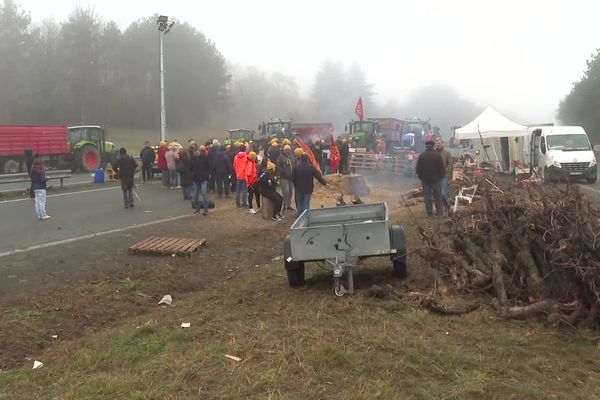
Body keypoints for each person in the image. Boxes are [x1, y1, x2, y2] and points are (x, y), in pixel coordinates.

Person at [416, 140, 445, 217]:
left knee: (427, 197)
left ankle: (430, 213)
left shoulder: (422, 155)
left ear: (426, 146)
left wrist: (420, 176)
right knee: (437, 196)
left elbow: (418, 168)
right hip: (436, 179)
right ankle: (439, 212)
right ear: (433, 146)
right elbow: (442, 168)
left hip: (425, 179)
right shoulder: (437, 155)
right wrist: (440, 177)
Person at [191, 146, 211, 215]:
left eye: (197, 153)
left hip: (203, 179)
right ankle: (197, 208)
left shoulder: (204, 157)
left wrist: (206, 175)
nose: (196, 154)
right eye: (195, 153)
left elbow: (208, 166)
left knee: (204, 194)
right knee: (195, 195)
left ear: (199, 151)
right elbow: (190, 167)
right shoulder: (192, 158)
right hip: (195, 179)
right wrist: (192, 175)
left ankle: (206, 209)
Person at [435, 137, 453, 206]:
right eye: (436, 144)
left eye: (439, 143)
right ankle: (441, 207)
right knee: (437, 193)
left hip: (444, 176)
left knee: (443, 192)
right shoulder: (434, 153)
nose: (438, 145)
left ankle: (447, 205)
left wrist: (445, 171)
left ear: (442, 144)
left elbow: (450, 164)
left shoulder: (447, 153)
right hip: (435, 176)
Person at [277, 144, 295, 212]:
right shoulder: (280, 157)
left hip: (291, 177)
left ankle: (289, 205)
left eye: (288, 149)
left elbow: (294, 164)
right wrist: (283, 172)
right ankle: (284, 205)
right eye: (286, 150)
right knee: (286, 191)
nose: (287, 151)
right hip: (284, 177)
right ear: (283, 150)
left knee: (291, 191)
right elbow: (278, 166)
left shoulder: (291, 156)